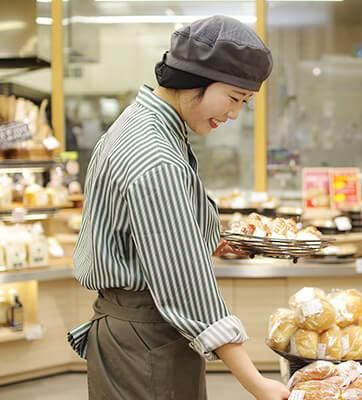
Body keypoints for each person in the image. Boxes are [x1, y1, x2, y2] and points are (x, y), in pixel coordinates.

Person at [67, 16, 289, 400]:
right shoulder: (157, 156)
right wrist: (257, 382)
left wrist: (208, 238)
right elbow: (188, 287)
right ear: (194, 78)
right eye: (234, 98)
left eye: (244, 103)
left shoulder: (140, 123)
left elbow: (145, 237)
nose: (235, 114)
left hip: (137, 334)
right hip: (147, 341)